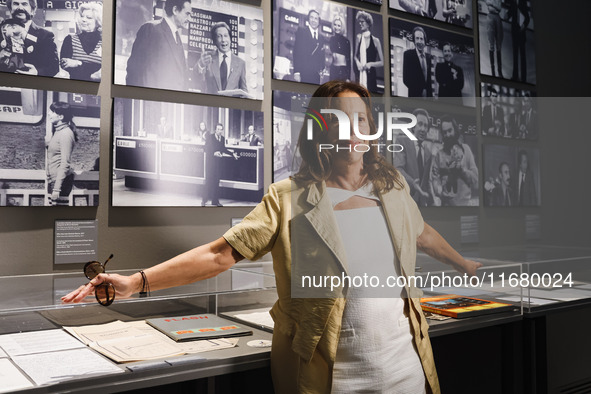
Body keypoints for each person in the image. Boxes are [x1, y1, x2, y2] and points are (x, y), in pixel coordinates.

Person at [62, 81, 482, 394]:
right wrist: (136, 282)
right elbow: (219, 254)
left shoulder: (393, 188)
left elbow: (422, 233)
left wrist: (463, 264)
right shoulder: (288, 198)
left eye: (361, 119)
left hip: (406, 373)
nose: (351, 129)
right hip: (333, 381)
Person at [125, 0, 191, 91]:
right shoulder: (151, 28)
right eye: (187, 14)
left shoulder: (177, 37)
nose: (189, 19)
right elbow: (134, 69)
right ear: (175, 10)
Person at [1, 0, 59, 77]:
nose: (20, 8)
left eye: (24, 4)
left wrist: (37, 72)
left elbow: (54, 67)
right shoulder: (1, 31)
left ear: (32, 9)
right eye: (16, 4)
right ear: (10, 8)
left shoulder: (46, 35)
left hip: (32, 84)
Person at [431, 116, 478, 206]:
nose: (448, 135)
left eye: (450, 131)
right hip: (446, 208)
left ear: (455, 130)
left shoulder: (466, 149)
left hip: (465, 206)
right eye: (445, 132)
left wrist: (462, 170)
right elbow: (434, 180)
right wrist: (441, 193)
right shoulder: (439, 155)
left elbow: (476, 178)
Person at [393, 108, 434, 206]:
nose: (423, 129)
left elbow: (427, 180)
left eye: (426, 126)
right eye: (420, 124)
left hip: (423, 204)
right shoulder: (402, 142)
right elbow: (398, 169)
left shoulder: (428, 152)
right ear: (413, 126)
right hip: (406, 200)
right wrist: (413, 183)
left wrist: (432, 198)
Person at [195, 22, 247, 96]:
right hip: (211, 105)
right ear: (215, 41)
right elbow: (195, 79)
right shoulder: (207, 57)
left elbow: (244, 90)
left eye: (226, 36)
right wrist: (200, 65)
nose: (223, 40)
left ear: (230, 38)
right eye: (219, 36)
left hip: (231, 106)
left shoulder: (241, 63)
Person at [59, 2, 102, 81]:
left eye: (89, 17)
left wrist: (77, 63)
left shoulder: (104, 44)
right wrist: (93, 70)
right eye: (82, 16)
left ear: (98, 22)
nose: (83, 20)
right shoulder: (69, 40)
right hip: (75, 87)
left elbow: (104, 72)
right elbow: (65, 64)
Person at [46, 102, 78, 206]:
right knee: (52, 217)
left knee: (58, 216)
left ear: (60, 116)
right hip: (54, 180)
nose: (49, 114)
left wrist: (56, 188)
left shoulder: (65, 134)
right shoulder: (59, 131)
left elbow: (65, 163)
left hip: (60, 183)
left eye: (52, 112)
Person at [201, 123, 238, 206]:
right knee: (208, 182)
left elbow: (223, 149)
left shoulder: (222, 139)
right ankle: (204, 200)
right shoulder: (210, 137)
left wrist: (232, 154)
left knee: (216, 182)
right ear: (215, 129)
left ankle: (215, 201)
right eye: (218, 129)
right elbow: (206, 148)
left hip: (218, 164)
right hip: (210, 164)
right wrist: (214, 153)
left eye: (221, 129)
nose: (219, 131)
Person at [353, 11, 384, 93]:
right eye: (359, 22)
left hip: (371, 76)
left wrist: (370, 64)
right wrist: (358, 63)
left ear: (368, 23)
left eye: (362, 22)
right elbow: (355, 56)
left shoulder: (376, 41)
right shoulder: (358, 38)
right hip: (360, 74)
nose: (360, 24)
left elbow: (382, 62)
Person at [293, 10, 326, 84]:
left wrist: (322, 68)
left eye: (316, 18)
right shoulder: (301, 31)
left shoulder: (321, 37)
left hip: (316, 74)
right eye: (312, 17)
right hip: (303, 72)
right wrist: (296, 72)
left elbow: (322, 54)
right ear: (308, 19)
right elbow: (296, 52)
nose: (314, 20)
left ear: (319, 21)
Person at [403, 26, 433, 97]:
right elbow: (406, 79)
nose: (419, 41)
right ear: (414, 40)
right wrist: (420, 91)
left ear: (425, 41)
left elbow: (429, 81)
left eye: (421, 39)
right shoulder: (408, 55)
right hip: (414, 96)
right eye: (417, 38)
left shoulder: (429, 57)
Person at [507, 0, 529, 83]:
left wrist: (524, 25)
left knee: (523, 57)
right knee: (515, 56)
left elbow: (527, 18)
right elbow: (510, 13)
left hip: (521, 33)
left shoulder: (523, 2)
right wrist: (507, 15)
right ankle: (515, 76)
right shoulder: (512, 2)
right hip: (514, 32)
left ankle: (524, 79)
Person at [485, 0, 504, 78]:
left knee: (499, 45)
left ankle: (499, 71)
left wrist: (492, 3)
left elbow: (499, 8)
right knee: (491, 45)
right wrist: (495, 4)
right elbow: (487, 3)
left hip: (497, 18)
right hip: (490, 17)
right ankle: (493, 72)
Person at [328, 16, 351, 82]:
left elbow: (348, 60)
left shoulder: (346, 41)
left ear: (342, 27)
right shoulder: (331, 39)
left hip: (342, 70)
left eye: (339, 25)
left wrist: (348, 77)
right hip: (333, 69)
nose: (336, 27)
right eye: (335, 25)